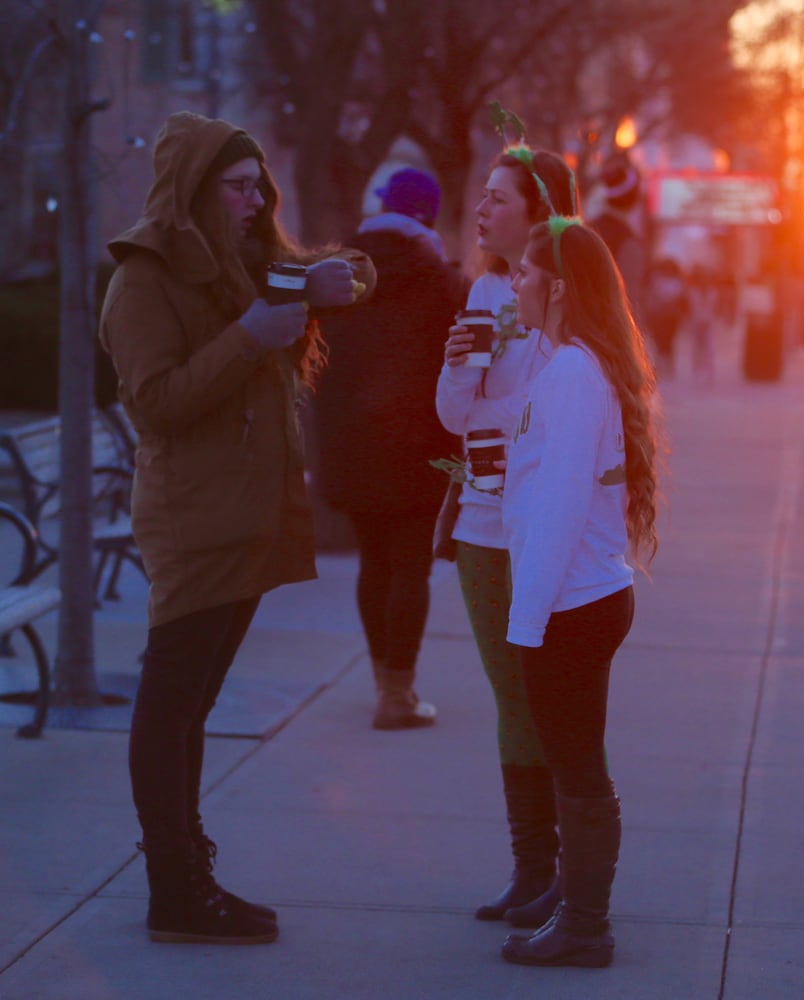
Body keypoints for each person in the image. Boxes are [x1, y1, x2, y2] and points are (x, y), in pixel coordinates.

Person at [99, 111, 374, 944]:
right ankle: (175, 887)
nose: (256, 201)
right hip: (193, 518)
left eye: (261, 186)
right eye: (239, 185)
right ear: (193, 190)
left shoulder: (246, 263)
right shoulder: (144, 282)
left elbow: (351, 268)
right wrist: (248, 337)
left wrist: (338, 282)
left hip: (248, 512)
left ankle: (189, 879)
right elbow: (157, 404)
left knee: (195, 702)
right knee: (172, 699)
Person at [499, 217, 660, 968]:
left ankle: (585, 925)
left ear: (557, 286)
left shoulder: (572, 375)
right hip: (580, 597)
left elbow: (559, 505)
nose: (513, 284)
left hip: (571, 604)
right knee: (574, 760)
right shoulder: (568, 363)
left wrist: (524, 622)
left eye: (525, 274)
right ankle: (573, 907)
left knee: (576, 766)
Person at [434, 145, 578, 930]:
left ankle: (572, 872)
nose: (481, 210)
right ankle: (532, 869)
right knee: (511, 701)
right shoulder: (485, 290)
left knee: (555, 701)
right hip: (485, 525)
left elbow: (564, 413)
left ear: (539, 210)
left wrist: (507, 377)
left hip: (547, 531)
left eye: (497, 198)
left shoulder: (571, 299)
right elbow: (456, 419)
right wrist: (460, 367)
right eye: (480, 196)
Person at [316, 167, 468, 729]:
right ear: (428, 214)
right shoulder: (444, 281)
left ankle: (384, 681)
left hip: (351, 444)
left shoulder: (339, 274)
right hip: (419, 444)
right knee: (411, 566)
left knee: (372, 562)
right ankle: (398, 696)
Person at [588, 152, 647, 317]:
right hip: (609, 329)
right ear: (634, 199)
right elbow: (630, 301)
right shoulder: (629, 242)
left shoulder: (587, 229)